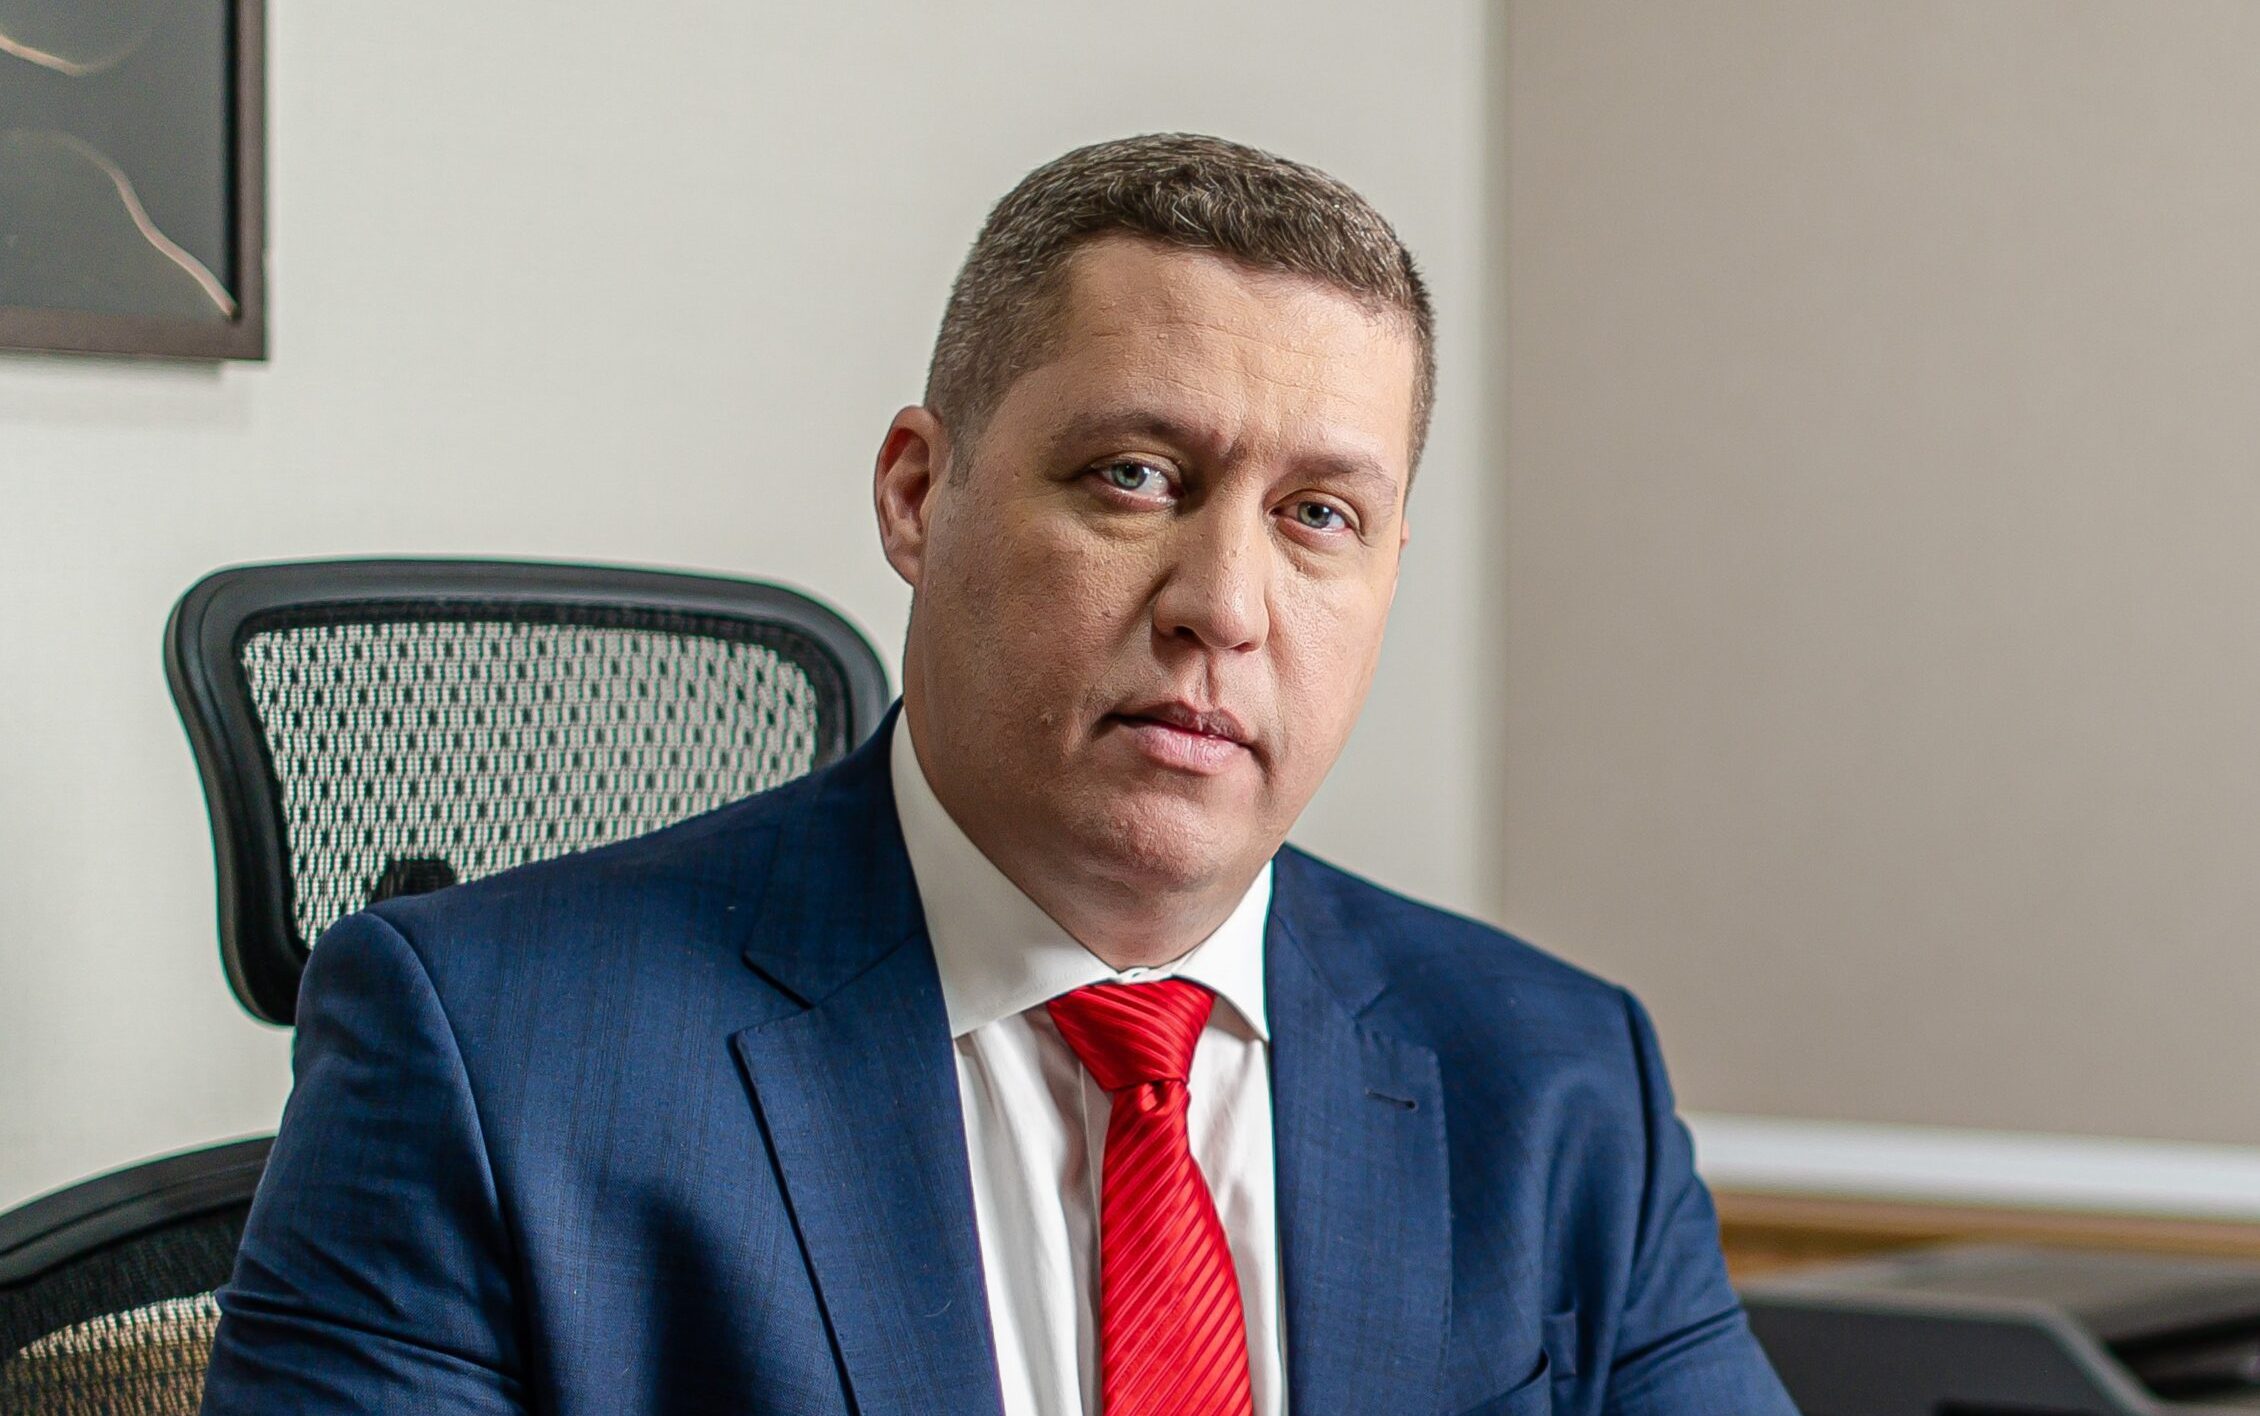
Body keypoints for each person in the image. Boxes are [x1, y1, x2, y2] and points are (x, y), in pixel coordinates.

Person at [200, 133, 1795, 1415]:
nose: (1225, 606)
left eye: (1321, 516)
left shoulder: (1554, 1083)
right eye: (1135, 477)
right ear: (918, 493)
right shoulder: (495, 1059)